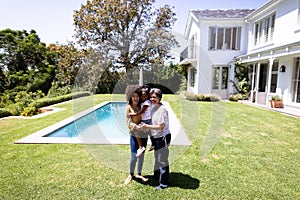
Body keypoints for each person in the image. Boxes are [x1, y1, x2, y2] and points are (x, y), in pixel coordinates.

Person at [141, 88, 171, 190]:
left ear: (159, 98)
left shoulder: (162, 109)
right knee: (157, 157)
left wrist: (147, 127)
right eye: (151, 97)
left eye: (155, 97)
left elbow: (161, 126)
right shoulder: (153, 107)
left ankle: (164, 183)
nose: (152, 99)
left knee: (162, 160)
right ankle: (156, 175)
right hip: (157, 137)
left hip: (163, 137)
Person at [124, 85, 148, 185]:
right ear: (130, 97)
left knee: (141, 155)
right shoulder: (128, 108)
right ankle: (131, 174)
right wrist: (139, 127)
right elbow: (129, 123)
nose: (135, 98)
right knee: (134, 156)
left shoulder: (142, 106)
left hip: (144, 134)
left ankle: (139, 174)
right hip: (134, 135)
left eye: (137, 96)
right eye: (133, 96)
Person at [130, 85, 154, 151]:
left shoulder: (146, 103)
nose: (143, 97)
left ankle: (141, 146)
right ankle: (153, 143)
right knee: (150, 132)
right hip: (146, 119)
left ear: (148, 96)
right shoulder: (144, 102)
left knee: (136, 130)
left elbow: (142, 112)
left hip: (146, 120)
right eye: (142, 96)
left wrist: (133, 114)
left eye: (145, 96)